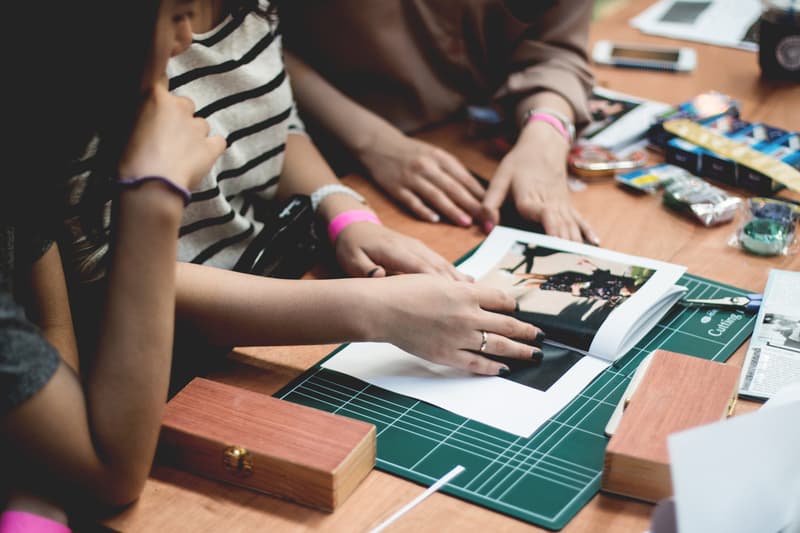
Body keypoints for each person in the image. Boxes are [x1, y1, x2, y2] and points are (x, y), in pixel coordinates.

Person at [62, 0, 544, 388]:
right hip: (164, 370)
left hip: (283, 298)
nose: (186, 37)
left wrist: (341, 209)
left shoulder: (251, 7)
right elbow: (108, 276)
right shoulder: (88, 43)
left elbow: (267, 124)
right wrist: (373, 310)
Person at [1, 0, 225, 530]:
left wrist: (43, 471)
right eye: (175, 15)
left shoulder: (21, 148)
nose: (186, 40)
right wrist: (153, 198)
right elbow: (114, 471)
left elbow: (47, 324)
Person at [280, 0, 600, 244]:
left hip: (471, 143)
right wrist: (372, 142)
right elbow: (261, 48)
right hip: (315, 156)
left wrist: (547, 127)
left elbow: (556, 45)